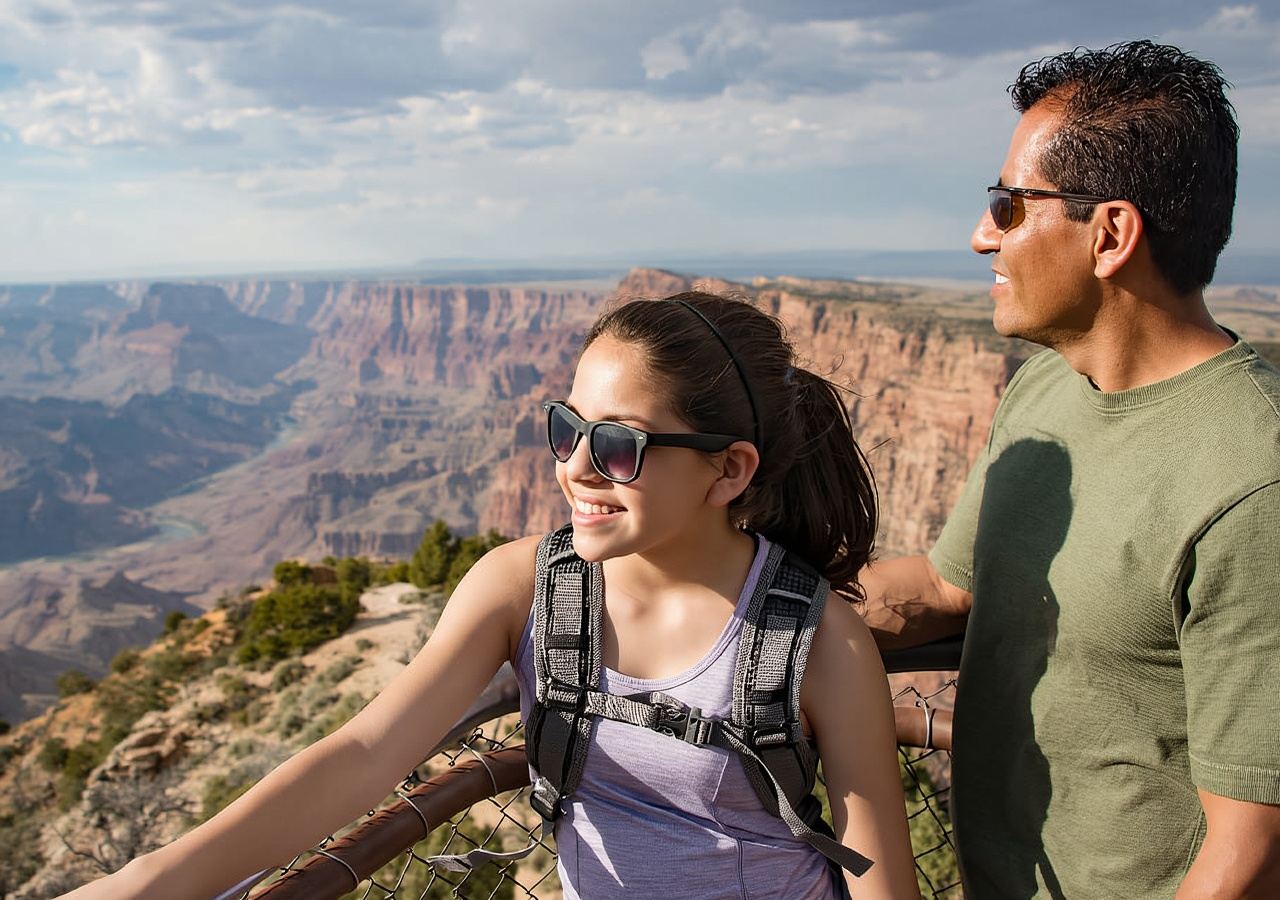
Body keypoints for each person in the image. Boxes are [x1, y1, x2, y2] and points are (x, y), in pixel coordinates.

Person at [66, 291, 921, 899]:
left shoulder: (816, 640)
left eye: (618, 445)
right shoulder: (524, 587)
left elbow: (881, 880)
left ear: (728, 470)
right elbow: (366, 753)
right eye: (567, 427)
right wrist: (150, 881)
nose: (575, 467)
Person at [858, 40, 1280, 898]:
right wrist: (726, 611)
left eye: (1009, 206)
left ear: (1110, 234)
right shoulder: (1047, 387)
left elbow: (1253, 845)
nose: (983, 236)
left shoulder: (1252, 479)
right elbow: (945, 589)